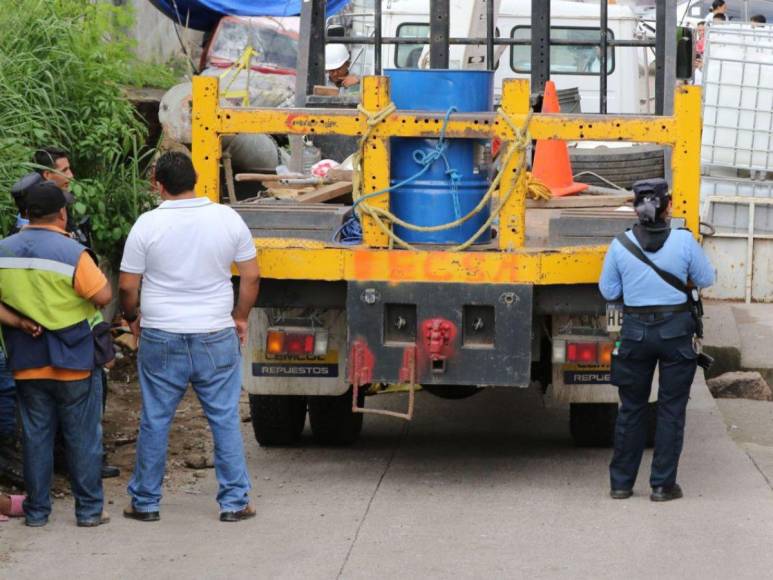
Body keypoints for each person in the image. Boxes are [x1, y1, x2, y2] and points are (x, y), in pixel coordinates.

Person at [119, 152, 260, 523]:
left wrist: (133, 318)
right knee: (225, 417)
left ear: (158, 184)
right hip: (215, 332)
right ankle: (234, 502)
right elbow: (251, 277)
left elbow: (128, 285)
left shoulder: (146, 225)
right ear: (196, 179)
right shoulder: (227, 218)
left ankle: (146, 503)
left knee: (155, 418)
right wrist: (240, 318)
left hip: (161, 335)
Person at [0, 182, 112, 527]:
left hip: (26, 361)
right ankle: (89, 511)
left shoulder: (3, 250)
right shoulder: (71, 252)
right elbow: (103, 296)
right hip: (74, 361)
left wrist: (19, 320)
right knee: (83, 439)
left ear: (25, 214)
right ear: (62, 214)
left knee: (35, 439)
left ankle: (37, 512)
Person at [599, 178, 715, 502]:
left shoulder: (620, 245)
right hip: (677, 332)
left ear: (635, 207)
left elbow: (609, 292)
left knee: (631, 409)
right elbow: (707, 278)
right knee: (671, 411)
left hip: (634, 333)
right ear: (668, 206)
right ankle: (663, 486)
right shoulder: (684, 242)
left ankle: (621, 484)